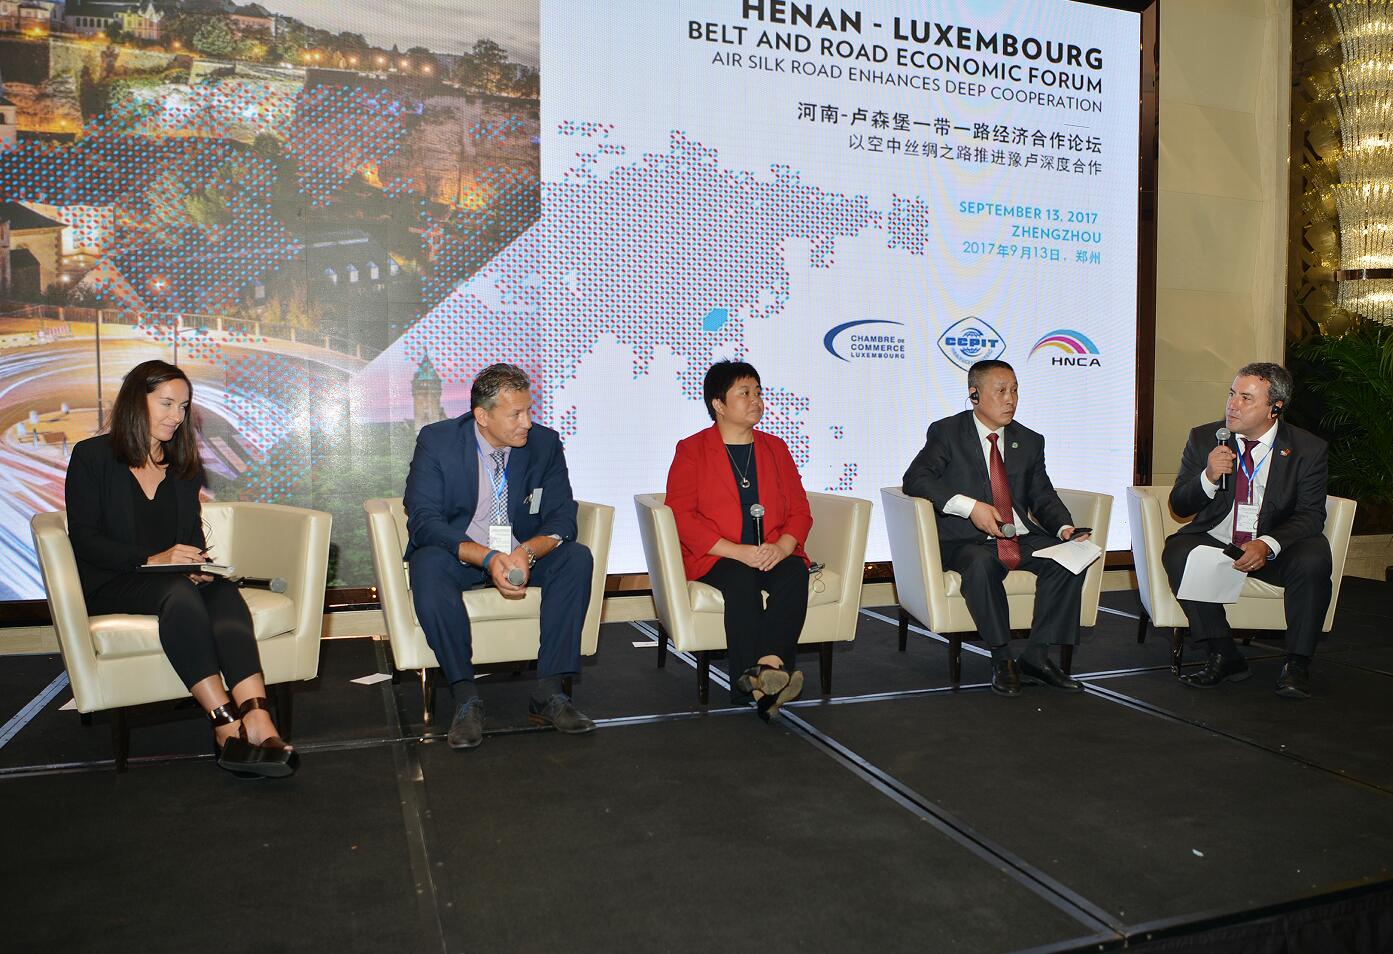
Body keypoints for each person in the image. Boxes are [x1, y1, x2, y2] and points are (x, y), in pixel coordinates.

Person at [64, 360, 297, 778]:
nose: (177, 416)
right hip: (112, 581)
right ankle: (225, 724)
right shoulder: (91, 456)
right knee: (180, 593)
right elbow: (85, 540)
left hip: (169, 579)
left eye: (184, 406)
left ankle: (259, 719)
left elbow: (189, 537)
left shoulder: (182, 465)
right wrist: (154, 559)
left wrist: (199, 563)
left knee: (221, 590)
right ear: (136, 401)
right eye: (167, 403)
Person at [403, 362, 595, 748]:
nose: (528, 422)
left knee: (576, 557)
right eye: (516, 414)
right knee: (426, 565)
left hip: (521, 553)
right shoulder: (438, 441)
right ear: (482, 416)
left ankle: (549, 691)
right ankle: (465, 696)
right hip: (464, 554)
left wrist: (527, 551)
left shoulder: (544, 443)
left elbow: (563, 515)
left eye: (529, 411)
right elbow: (423, 519)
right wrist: (487, 557)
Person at [902, 360, 1091, 696]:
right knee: (979, 565)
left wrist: (1064, 528)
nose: (1010, 399)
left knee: (1071, 558)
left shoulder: (1029, 440)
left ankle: (1036, 657)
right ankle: (1002, 659)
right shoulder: (947, 433)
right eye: (1001, 391)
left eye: (1015, 390)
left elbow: (1042, 494)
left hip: (1020, 535)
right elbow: (916, 479)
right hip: (968, 541)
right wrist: (969, 507)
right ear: (974, 395)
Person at [1162, 362, 1331, 699]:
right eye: (1231, 394)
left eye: (1246, 398)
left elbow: (1311, 515)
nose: (1232, 405)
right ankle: (1224, 654)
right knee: (1178, 551)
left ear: (1274, 408)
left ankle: (1297, 664)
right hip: (1220, 540)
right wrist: (1208, 476)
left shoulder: (1307, 448)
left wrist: (1267, 544)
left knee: (1314, 557)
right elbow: (1179, 506)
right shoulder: (1205, 438)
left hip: (1276, 544)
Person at [665, 360, 813, 721]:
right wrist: (737, 551)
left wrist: (783, 547)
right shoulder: (692, 449)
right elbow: (680, 515)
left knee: (794, 574)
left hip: (771, 550)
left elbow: (800, 510)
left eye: (758, 392)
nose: (756, 400)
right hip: (718, 556)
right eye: (744, 393)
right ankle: (761, 685)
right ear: (718, 404)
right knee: (741, 580)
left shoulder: (776, 448)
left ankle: (766, 669)